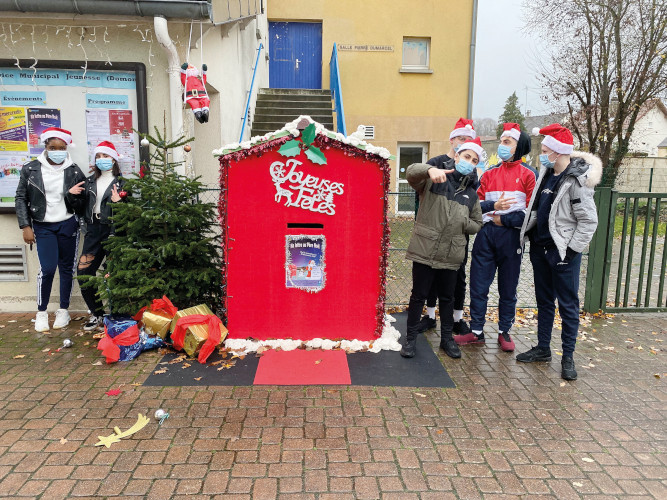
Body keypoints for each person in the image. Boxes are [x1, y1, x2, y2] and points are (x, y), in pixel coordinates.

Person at [517, 124, 601, 380]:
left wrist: (572, 252)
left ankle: (568, 356)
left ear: (558, 151)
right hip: (540, 250)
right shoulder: (546, 174)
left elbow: (588, 221)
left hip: (563, 254)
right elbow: (538, 208)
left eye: (545, 150)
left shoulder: (577, 181)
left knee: (567, 305)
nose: (541, 155)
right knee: (544, 301)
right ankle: (543, 348)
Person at [455, 123, 537, 351]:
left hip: (511, 238)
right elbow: (476, 205)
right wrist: (493, 211)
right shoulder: (490, 173)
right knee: (478, 285)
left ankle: (504, 332)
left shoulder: (530, 175)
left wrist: (504, 219)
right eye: (501, 141)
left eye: (506, 142)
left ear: (518, 146)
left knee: (508, 288)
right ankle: (477, 331)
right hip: (486, 235)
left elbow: (531, 213)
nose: (501, 145)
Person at [402, 138, 484, 359]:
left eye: (474, 160)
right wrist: (429, 170)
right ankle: (410, 340)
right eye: (466, 156)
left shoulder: (471, 193)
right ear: (456, 156)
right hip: (425, 250)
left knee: (447, 298)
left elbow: (477, 223)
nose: (469, 162)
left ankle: (447, 340)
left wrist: (463, 224)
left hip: (451, 253)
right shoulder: (434, 180)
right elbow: (411, 172)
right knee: (418, 296)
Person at [15, 127, 86, 332]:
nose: (58, 151)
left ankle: (63, 310)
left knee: (66, 268)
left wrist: (72, 195)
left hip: (68, 223)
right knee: (47, 269)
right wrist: (25, 225)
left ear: (66, 148)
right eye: (53, 147)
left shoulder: (73, 169)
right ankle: (41, 312)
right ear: (45, 147)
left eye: (62, 148)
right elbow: (21, 198)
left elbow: (81, 201)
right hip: (43, 225)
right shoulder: (31, 169)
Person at [414, 118, 477, 336]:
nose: (464, 142)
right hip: (432, 231)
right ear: (452, 140)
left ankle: (457, 319)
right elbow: (421, 190)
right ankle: (430, 316)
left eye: (468, 140)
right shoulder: (436, 162)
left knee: (458, 277)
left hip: (457, 235)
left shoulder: (472, 172)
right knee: (429, 277)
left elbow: (473, 202)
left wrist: (463, 222)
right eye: (461, 139)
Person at [76, 141, 126, 331]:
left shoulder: (123, 183)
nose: (102, 160)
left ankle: (118, 315)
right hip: (93, 230)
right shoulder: (88, 182)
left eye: (106, 156)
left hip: (114, 230)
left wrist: (119, 202)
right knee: (84, 274)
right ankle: (97, 314)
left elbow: (130, 213)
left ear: (113, 159)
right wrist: (71, 195)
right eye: (98, 157)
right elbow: (79, 207)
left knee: (116, 274)